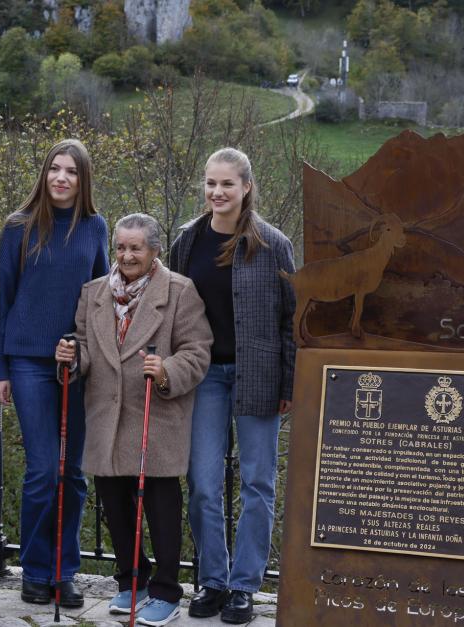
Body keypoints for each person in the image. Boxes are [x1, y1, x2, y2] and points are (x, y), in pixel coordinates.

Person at [55, 213, 212, 627]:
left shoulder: (179, 292)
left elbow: (198, 351)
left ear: (155, 250)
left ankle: (165, 590)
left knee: (160, 505)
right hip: (107, 415)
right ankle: (131, 579)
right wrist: (72, 358)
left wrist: (166, 370)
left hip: (155, 416)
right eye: (121, 247)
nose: (126, 255)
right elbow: (86, 347)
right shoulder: (93, 293)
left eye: (135, 248)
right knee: (114, 501)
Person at [169, 147, 296, 624]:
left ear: (246, 187)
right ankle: (213, 581)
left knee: (257, 483)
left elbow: (291, 319)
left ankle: (245, 586)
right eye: (210, 183)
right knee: (202, 482)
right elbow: (173, 310)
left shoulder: (273, 244)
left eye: (226, 184)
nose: (217, 192)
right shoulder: (188, 240)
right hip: (205, 377)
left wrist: (289, 381)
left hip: (259, 376)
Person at [0, 139, 109, 606]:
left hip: (78, 364)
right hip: (27, 361)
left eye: (71, 172)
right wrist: (0, 367)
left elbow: (99, 300)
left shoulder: (96, 228)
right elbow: (3, 301)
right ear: (44, 174)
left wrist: (82, 347)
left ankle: (65, 571)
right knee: (43, 469)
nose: (61, 178)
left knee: (74, 472)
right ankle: (35, 570)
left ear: (83, 180)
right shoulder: (19, 228)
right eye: (54, 169)